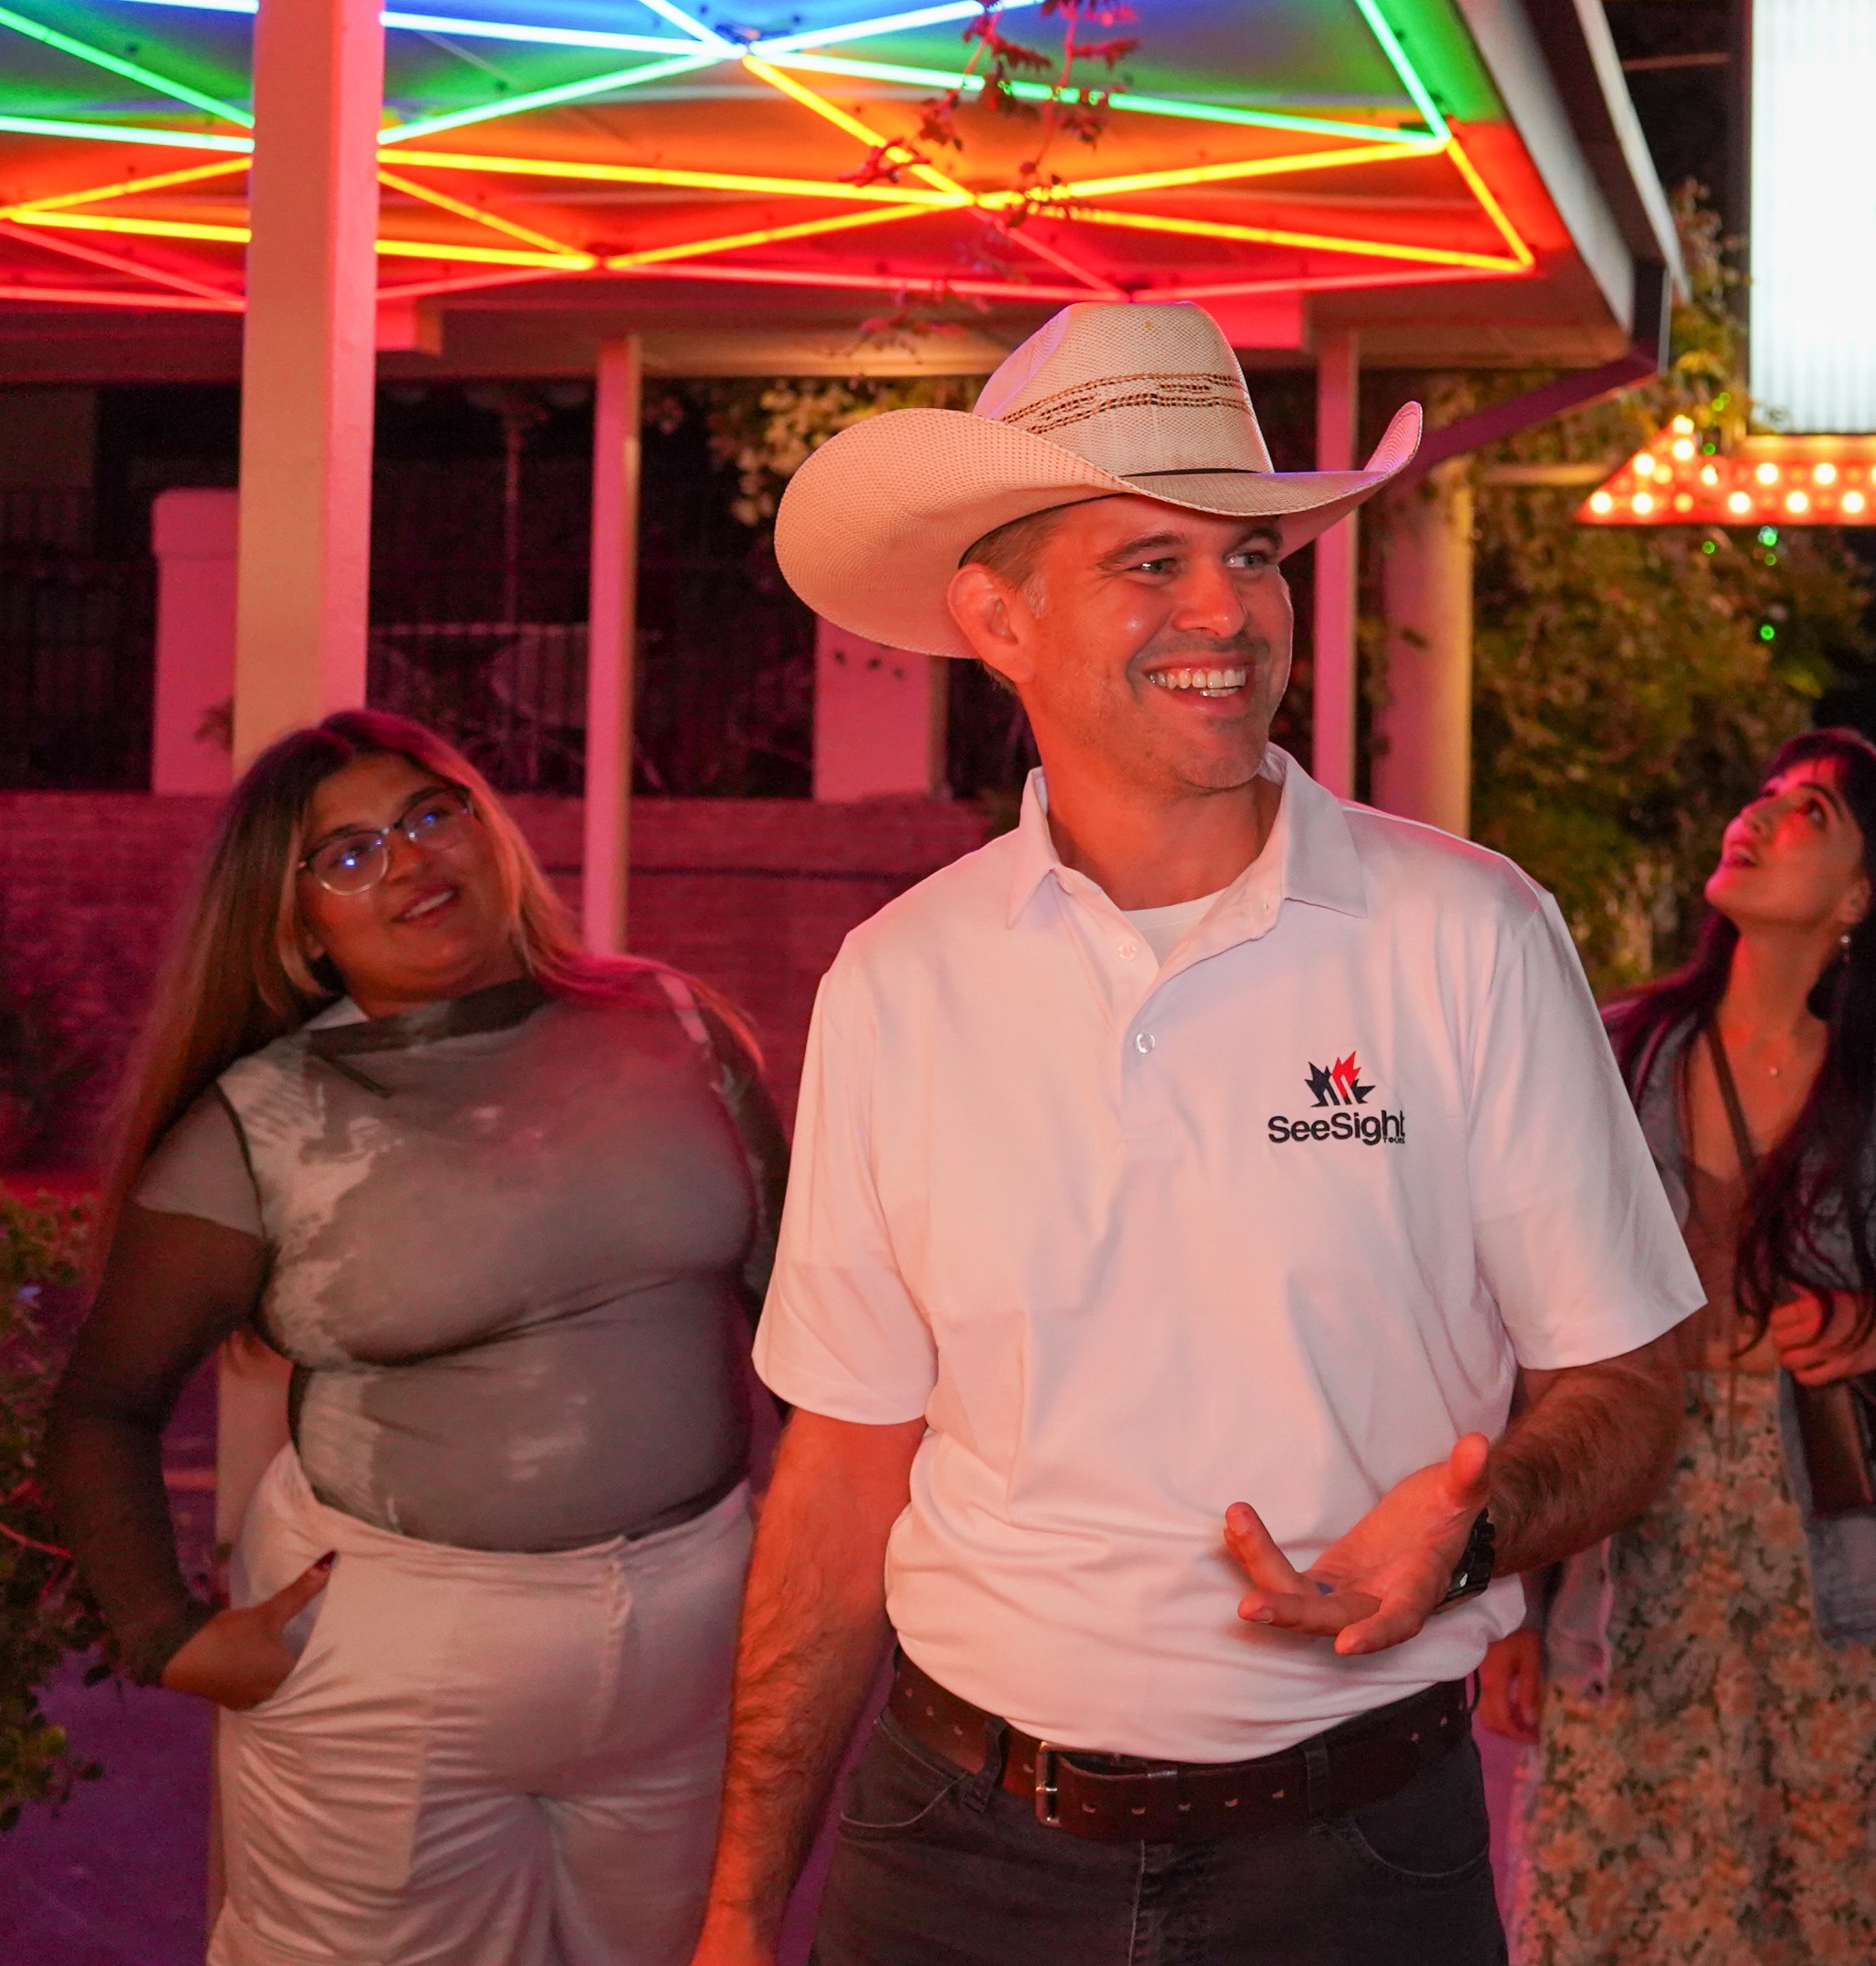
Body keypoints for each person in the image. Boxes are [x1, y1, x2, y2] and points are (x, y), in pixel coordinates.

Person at [696, 301, 1703, 1966]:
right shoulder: (900, 979)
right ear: (998, 618)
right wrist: (741, 1910)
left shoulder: (1469, 934)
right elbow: (844, 1466)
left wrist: (1474, 1530)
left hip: (1354, 1857)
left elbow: (1629, 1377)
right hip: (955, 1852)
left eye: (1251, 556)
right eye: (1148, 562)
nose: (1227, 609)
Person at [42, 708, 786, 1966]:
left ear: (490, 831)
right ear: (297, 924)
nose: (409, 863)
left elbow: (802, 1323)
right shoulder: (261, 1124)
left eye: (432, 815)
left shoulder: (673, 1023)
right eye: (348, 856)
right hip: (393, 1659)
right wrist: (164, 1635)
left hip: (695, 1632)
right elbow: (102, 1408)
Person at [1487, 728, 1876, 1966]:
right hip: (1641, 1546)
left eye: (1811, 814)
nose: (1763, 818)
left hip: (1856, 1571)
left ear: (1862, 896)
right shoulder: (1615, 1054)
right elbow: (1519, 1340)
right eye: (1766, 798)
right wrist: (1513, 1596)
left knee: (1849, 1905)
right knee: (1628, 1898)